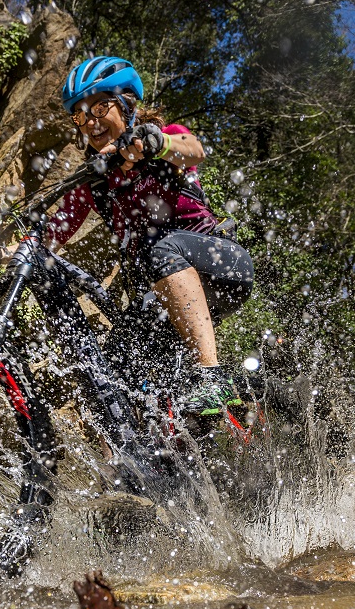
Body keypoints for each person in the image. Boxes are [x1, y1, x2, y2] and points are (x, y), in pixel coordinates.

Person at [49, 56, 254, 415]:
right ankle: (155, 459)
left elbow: (194, 149)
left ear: (127, 104)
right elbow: (54, 230)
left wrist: (155, 143)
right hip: (165, 297)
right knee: (108, 364)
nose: (92, 122)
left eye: (101, 106)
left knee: (160, 248)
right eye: (81, 115)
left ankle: (211, 378)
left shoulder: (160, 139)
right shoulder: (95, 181)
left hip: (222, 265)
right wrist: (6, 252)